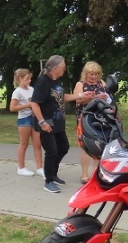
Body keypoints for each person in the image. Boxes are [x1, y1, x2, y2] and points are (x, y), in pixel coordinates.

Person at [30, 55, 96, 193]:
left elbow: (61, 96)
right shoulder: (43, 81)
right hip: (46, 121)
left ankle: (53, 173)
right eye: (63, 67)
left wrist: (81, 95)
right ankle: (48, 181)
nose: (65, 70)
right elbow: (34, 103)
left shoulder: (56, 80)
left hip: (58, 121)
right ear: (55, 68)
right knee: (51, 151)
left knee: (64, 147)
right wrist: (42, 122)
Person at [73, 62, 109, 183]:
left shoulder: (101, 83)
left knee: (99, 145)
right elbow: (78, 100)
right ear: (85, 74)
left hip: (100, 118)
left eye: (96, 74)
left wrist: (106, 98)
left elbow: (109, 96)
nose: (93, 77)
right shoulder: (80, 84)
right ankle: (84, 174)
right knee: (86, 146)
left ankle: (95, 173)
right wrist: (95, 98)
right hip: (85, 118)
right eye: (91, 74)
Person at [9, 68, 44, 177]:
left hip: (34, 118)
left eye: (30, 78)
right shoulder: (17, 92)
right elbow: (12, 108)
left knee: (37, 144)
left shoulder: (32, 89)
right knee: (24, 144)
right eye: (27, 78)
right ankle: (21, 167)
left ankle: (40, 168)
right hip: (24, 119)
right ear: (20, 79)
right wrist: (27, 105)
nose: (29, 80)